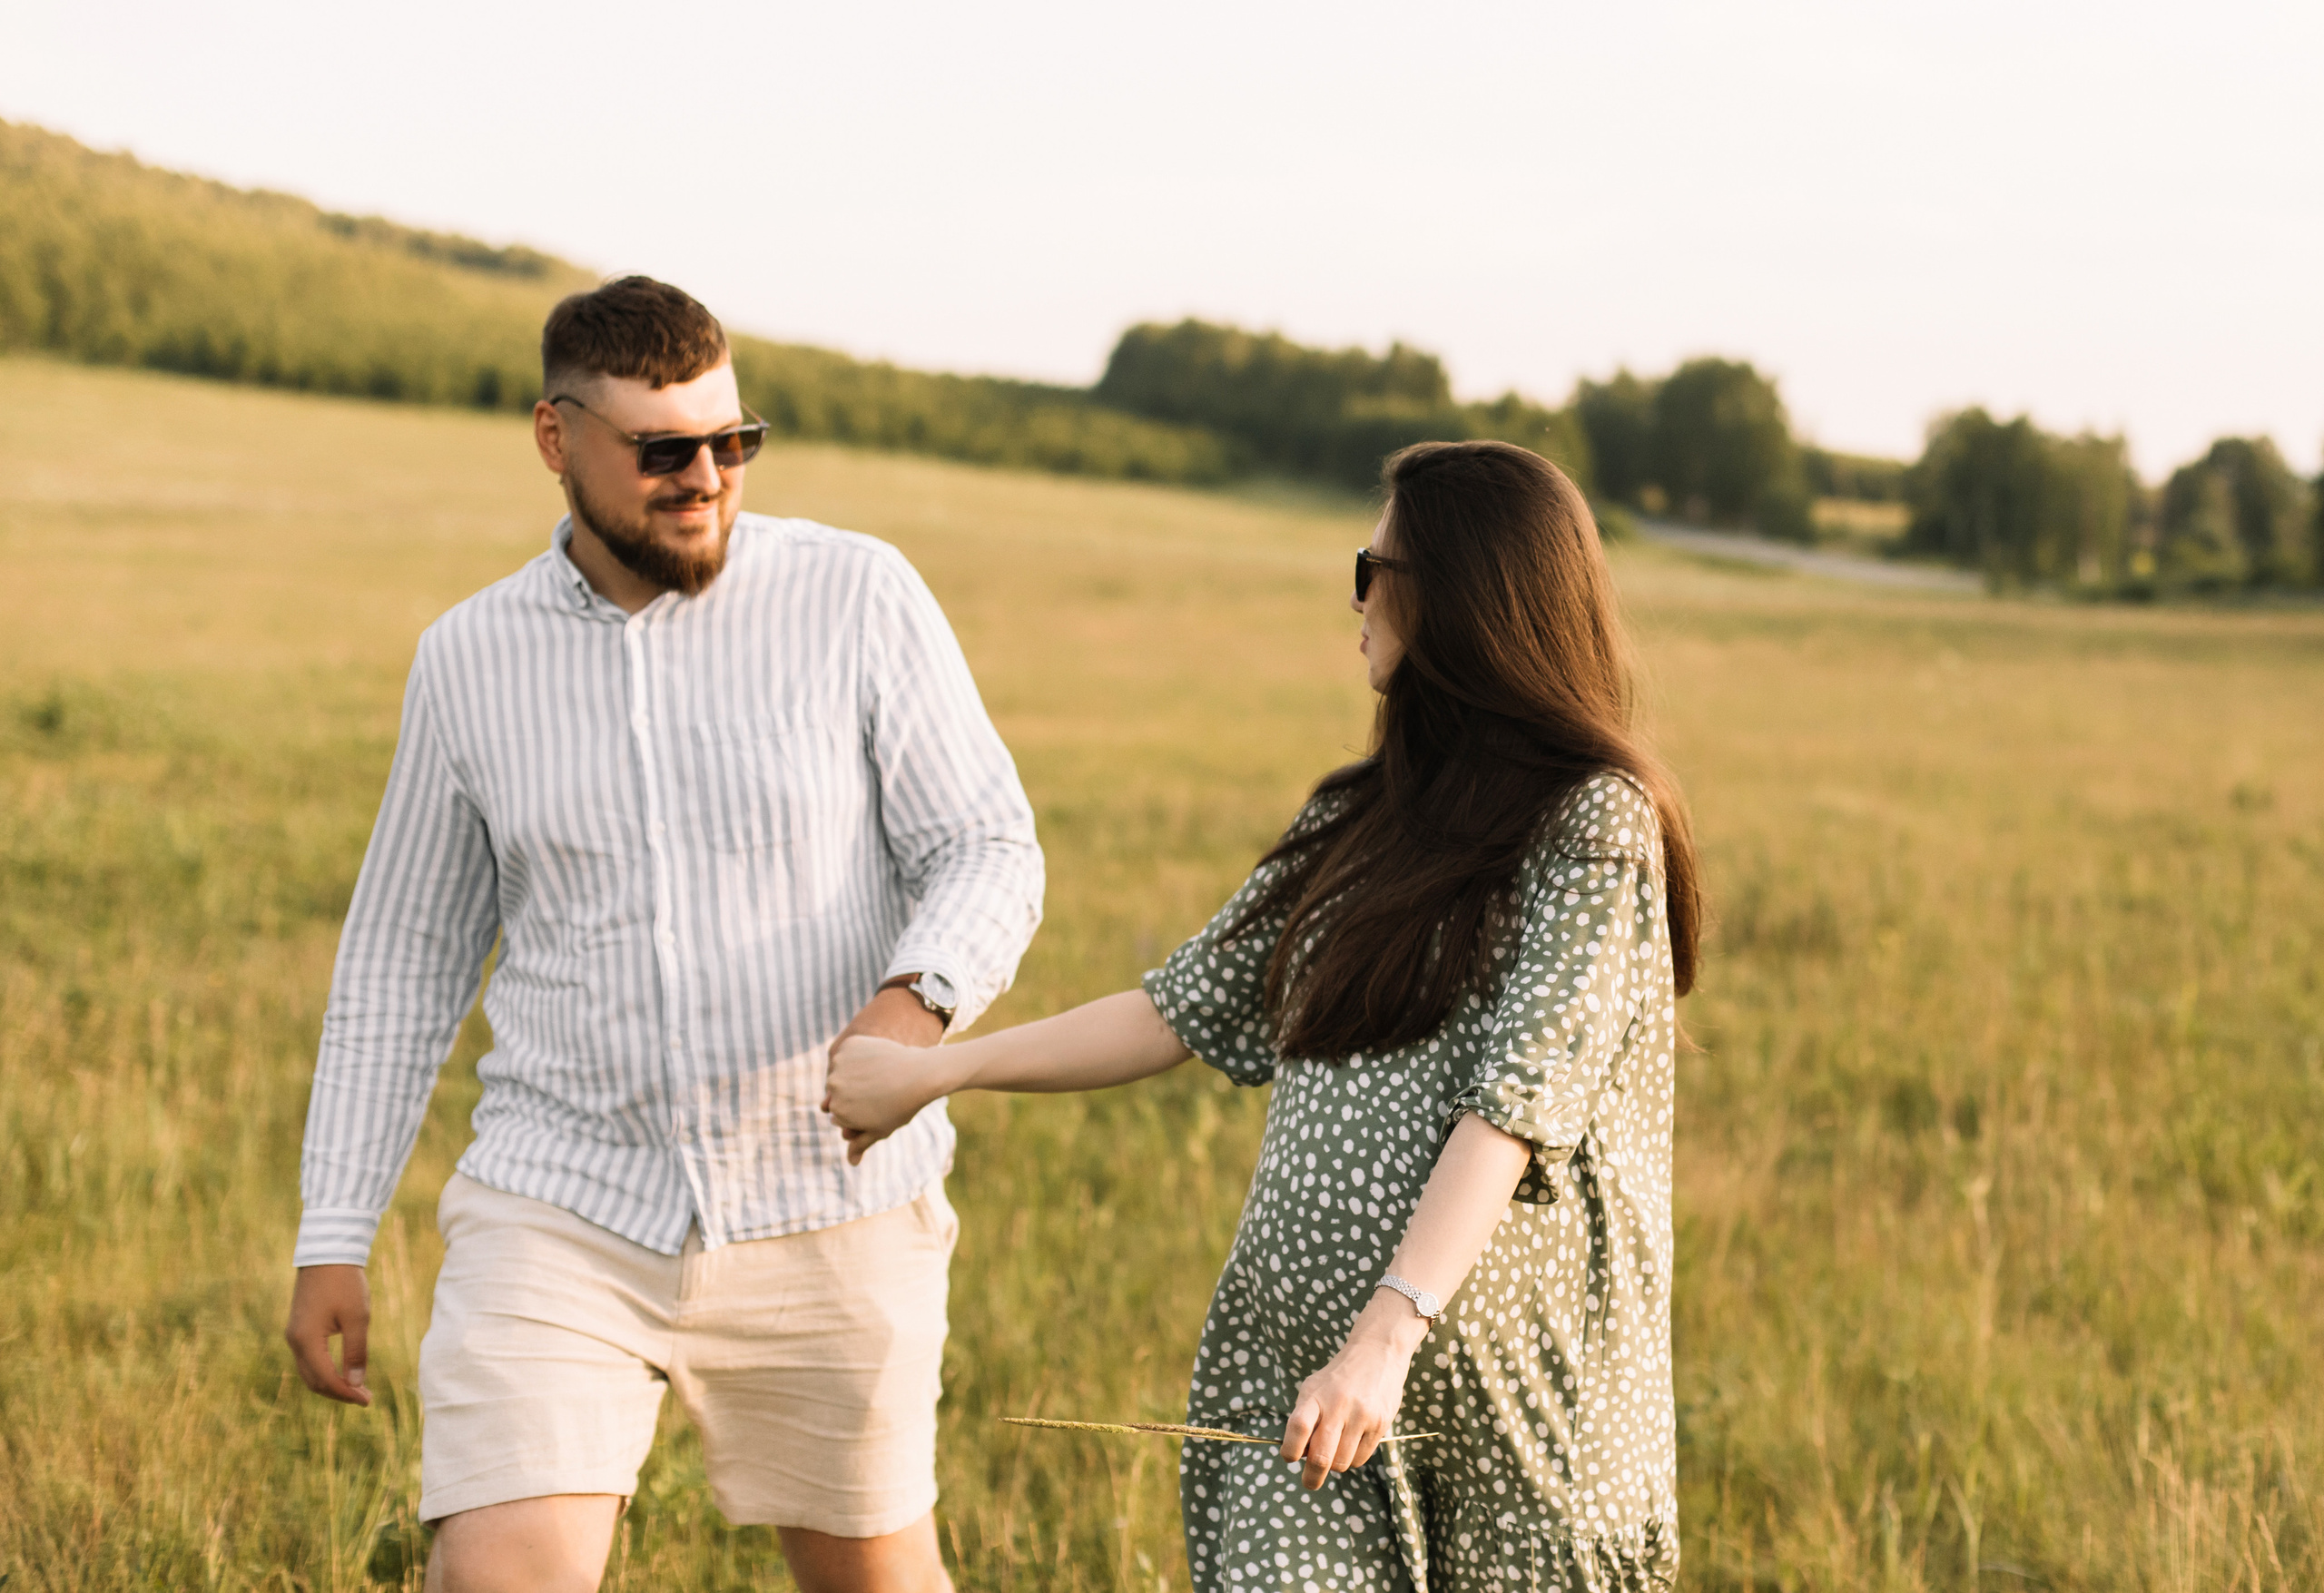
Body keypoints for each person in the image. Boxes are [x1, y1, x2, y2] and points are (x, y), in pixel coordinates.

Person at [828, 439, 1701, 1591]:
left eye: (1373, 569)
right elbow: (1175, 1009)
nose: (1356, 598)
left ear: (1461, 596)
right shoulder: (1358, 818)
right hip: (1303, 1402)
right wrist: (935, 1073)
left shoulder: (1595, 822)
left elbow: (1514, 1107)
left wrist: (1384, 1338)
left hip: (1513, 1426)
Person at [282, 276, 1042, 1593]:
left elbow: (986, 844)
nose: (706, 478)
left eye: (732, 441)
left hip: (832, 1203)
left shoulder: (856, 595)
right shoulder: (468, 660)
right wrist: (333, 1228)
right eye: (663, 450)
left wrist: (914, 1002)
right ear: (555, 437)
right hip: (562, 1205)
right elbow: (404, 959)